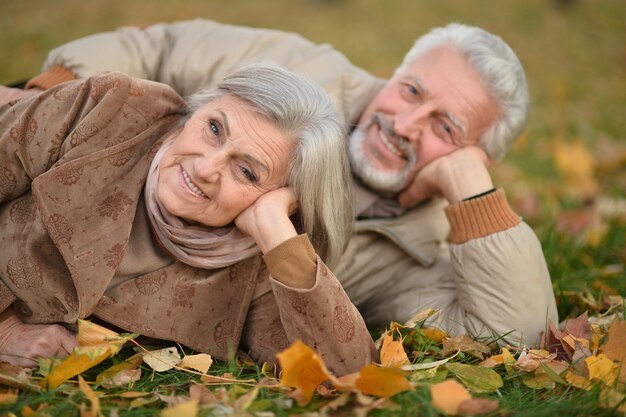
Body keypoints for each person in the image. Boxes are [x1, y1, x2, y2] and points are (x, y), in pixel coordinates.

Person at [14, 19, 558, 350]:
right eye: (412, 91)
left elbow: (519, 334)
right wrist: (44, 99)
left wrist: (474, 195)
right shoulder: (304, 66)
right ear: (395, 75)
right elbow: (162, 46)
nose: (405, 125)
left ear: (477, 156)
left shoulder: (416, 256)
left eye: (446, 127)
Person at [0, 63, 378, 374]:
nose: (205, 168)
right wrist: (4, 330)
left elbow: (348, 375)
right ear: (196, 109)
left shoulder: (257, 269)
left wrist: (276, 231)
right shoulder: (109, 107)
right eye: (214, 129)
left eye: (247, 172)